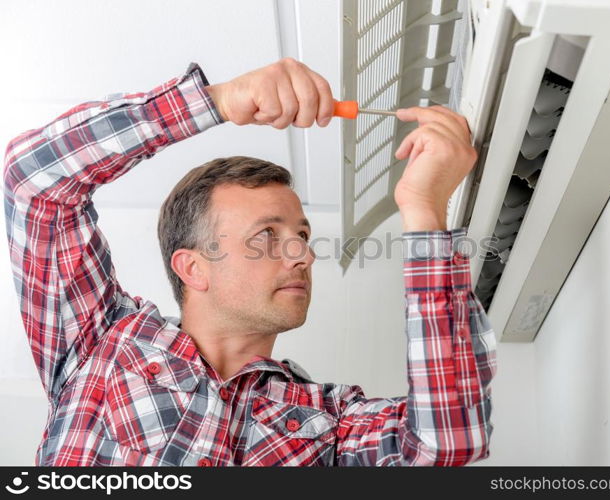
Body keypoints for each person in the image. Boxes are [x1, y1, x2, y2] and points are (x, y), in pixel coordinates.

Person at [3, 58, 496, 466]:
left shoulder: (329, 422)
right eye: (267, 236)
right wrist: (216, 101)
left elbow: (446, 441)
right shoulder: (100, 341)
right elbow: (32, 182)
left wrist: (424, 210)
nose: (303, 254)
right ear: (193, 268)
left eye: (302, 236)